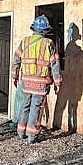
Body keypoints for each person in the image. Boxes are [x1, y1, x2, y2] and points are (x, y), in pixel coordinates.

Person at [11, 15, 62, 144]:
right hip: (40, 83)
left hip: (26, 82)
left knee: (25, 105)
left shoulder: (25, 41)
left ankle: (21, 132)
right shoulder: (48, 44)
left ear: (34, 29)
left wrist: (15, 76)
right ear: (44, 31)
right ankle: (32, 136)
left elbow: (16, 59)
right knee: (36, 108)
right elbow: (55, 64)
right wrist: (57, 82)